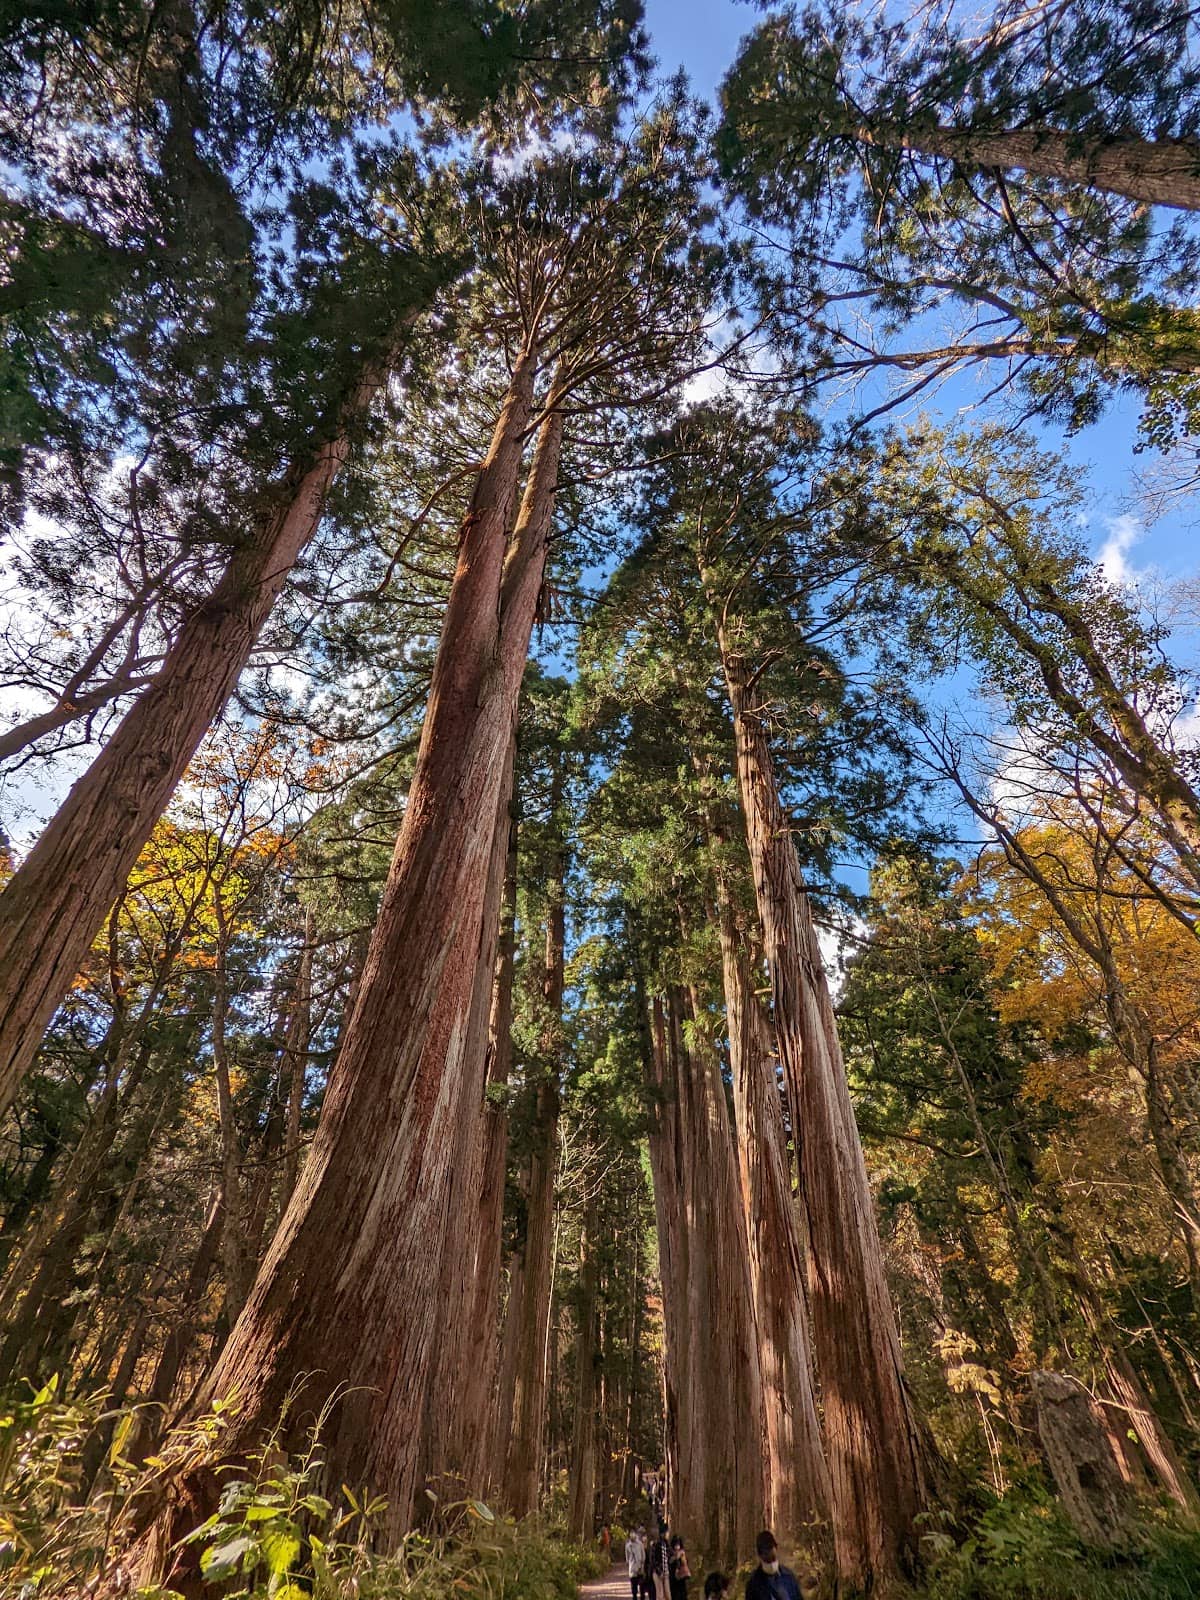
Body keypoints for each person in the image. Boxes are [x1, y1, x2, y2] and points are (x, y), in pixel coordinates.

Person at [744, 1531, 801, 1600]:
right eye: (767, 1560)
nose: (771, 1563)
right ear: (760, 1556)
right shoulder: (753, 1584)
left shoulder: (789, 1577)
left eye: (773, 1559)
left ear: (776, 1549)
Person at [650, 1521, 672, 1600]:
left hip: (666, 1573)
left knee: (668, 1595)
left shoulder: (666, 1544)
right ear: (663, 1533)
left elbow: (669, 1556)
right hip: (658, 1573)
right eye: (667, 1532)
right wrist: (659, 1571)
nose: (668, 1534)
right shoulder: (655, 1545)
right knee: (660, 1595)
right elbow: (653, 1560)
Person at [626, 1526, 647, 1600]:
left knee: (642, 1589)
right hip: (632, 1569)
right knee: (634, 1590)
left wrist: (642, 1566)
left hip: (640, 1568)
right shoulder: (628, 1545)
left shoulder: (640, 1544)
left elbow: (643, 1555)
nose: (632, 1534)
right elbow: (627, 1558)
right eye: (631, 1533)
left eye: (633, 1533)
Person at [669, 1535, 691, 1600]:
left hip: (681, 1577)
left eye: (678, 1545)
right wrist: (675, 1557)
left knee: (682, 1593)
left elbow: (685, 1563)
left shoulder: (682, 1553)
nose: (677, 1547)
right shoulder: (670, 1553)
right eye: (675, 1545)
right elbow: (670, 1562)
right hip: (673, 1578)